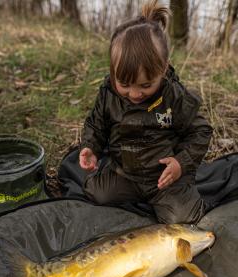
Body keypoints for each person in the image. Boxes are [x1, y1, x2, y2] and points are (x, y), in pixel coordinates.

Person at [79, 0, 213, 224]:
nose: (134, 94)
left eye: (145, 85)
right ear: (113, 72)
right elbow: (96, 124)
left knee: (184, 218)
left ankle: (175, 199)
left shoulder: (174, 96)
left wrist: (181, 163)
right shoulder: (108, 92)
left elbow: (201, 132)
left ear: (162, 69)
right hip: (125, 174)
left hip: (164, 179)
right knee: (96, 194)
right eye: (125, 84)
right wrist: (90, 147)